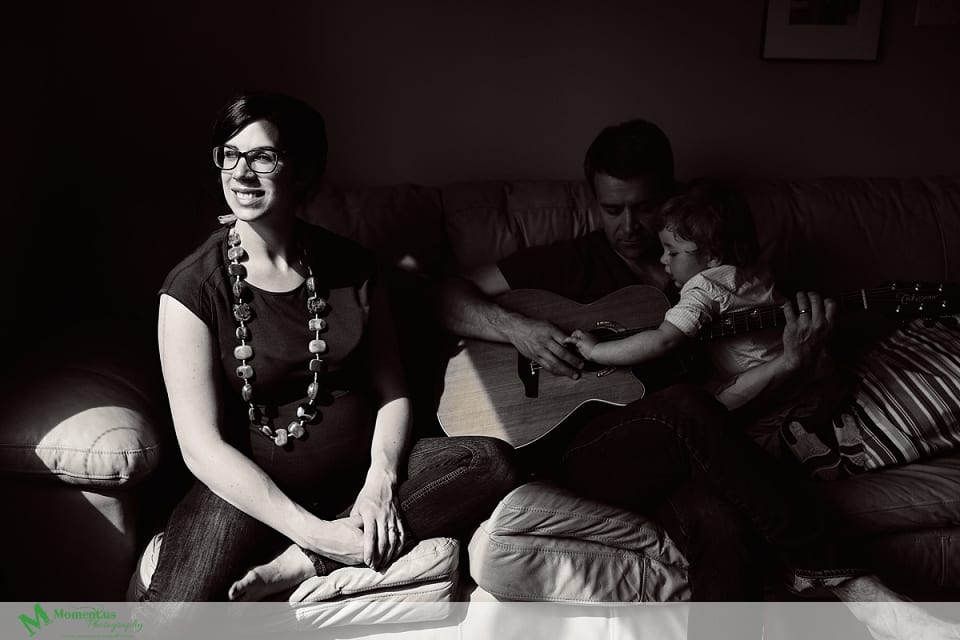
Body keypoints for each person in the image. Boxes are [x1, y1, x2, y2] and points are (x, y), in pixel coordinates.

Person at [435, 119, 958, 639]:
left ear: (671, 198)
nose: (628, 226)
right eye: (611, 209)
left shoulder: (725, 277)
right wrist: (517, 329)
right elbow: (441, 294)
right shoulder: (570, 262)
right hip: (590, 451)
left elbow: (740, 398)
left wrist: (790, 363)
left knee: (724, 527)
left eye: (643, 207)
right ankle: (859, 591)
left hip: (698, 447)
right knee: (683, 403)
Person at [141, 92, 521, 603]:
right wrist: (312, 529)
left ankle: (304, 565)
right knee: (172, 618)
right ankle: (323, 545)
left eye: (263, 157)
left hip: (360, 479)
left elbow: (393, 391)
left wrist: (382, 479)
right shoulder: (191, 289)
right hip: (250, 496)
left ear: (301, 172)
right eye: (228, 154)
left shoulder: (353, 267)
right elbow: (200, 447)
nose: (241, 173)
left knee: (490, 462)